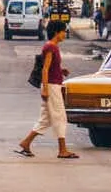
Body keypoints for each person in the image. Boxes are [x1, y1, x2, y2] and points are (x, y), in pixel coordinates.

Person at [14, 23, 77, 159]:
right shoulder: (51, 47)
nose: (64, 34)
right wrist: (46, 89)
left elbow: (51, 67)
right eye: (63, 32)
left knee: (46, 119)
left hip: (52, 85)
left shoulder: (53, 47)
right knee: (60, 116)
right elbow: (45, 68)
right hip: (52, 86)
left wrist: (61, 70)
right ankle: (62, 149)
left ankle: (26, 143)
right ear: (56, 32)